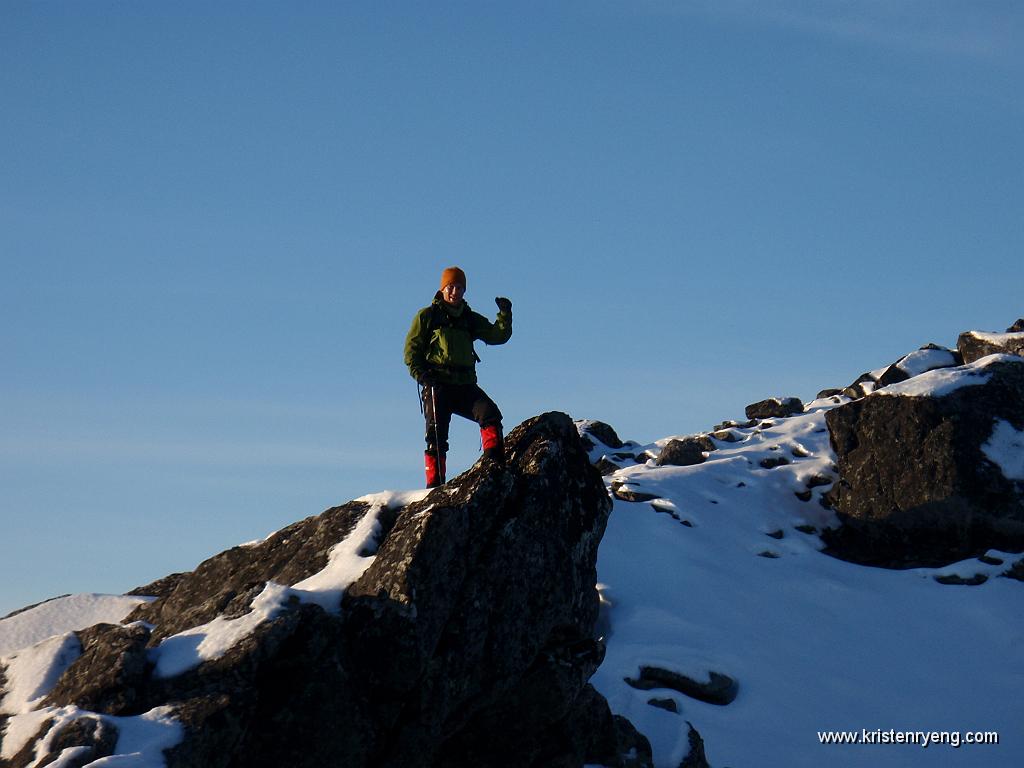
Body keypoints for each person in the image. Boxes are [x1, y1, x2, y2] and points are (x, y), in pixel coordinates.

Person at [404, 267, 513, 488]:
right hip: (437, 385)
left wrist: (504, 314)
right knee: (436, 437)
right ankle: (434, 487)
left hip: (464, 385)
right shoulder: (427, 316)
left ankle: (494, 466)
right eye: (451, 287)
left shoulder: (468, 318)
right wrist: (422, 375)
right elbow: (411, 350)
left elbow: (497, 335)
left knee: (490, 414)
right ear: (442, 288)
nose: (455, 292)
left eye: (459, 287)